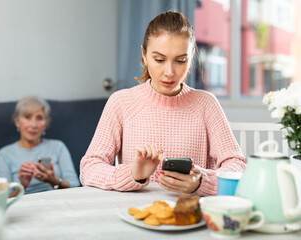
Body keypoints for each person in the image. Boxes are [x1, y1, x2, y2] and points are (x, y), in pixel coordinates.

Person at [80, 11, 245, 196]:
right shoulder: (121, 102)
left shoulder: (206, 104)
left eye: (180, 60)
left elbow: (237, 166)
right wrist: (133, 174)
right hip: (135, 215)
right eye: (159, 59)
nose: (169, 72)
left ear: (191, 58)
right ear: (144, 54)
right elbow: (89, 168)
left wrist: (201, 182)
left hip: (190, 214)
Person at [0, 96, 80, 197]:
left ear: (45, 124)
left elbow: (75, 186)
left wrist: (54, 181)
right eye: (27, 117)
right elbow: (4, 199)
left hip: (58, 200)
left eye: (39, 118)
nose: (34, 125)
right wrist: (22, 185)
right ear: (17, 122)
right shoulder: (4, 155)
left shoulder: (58, 147)